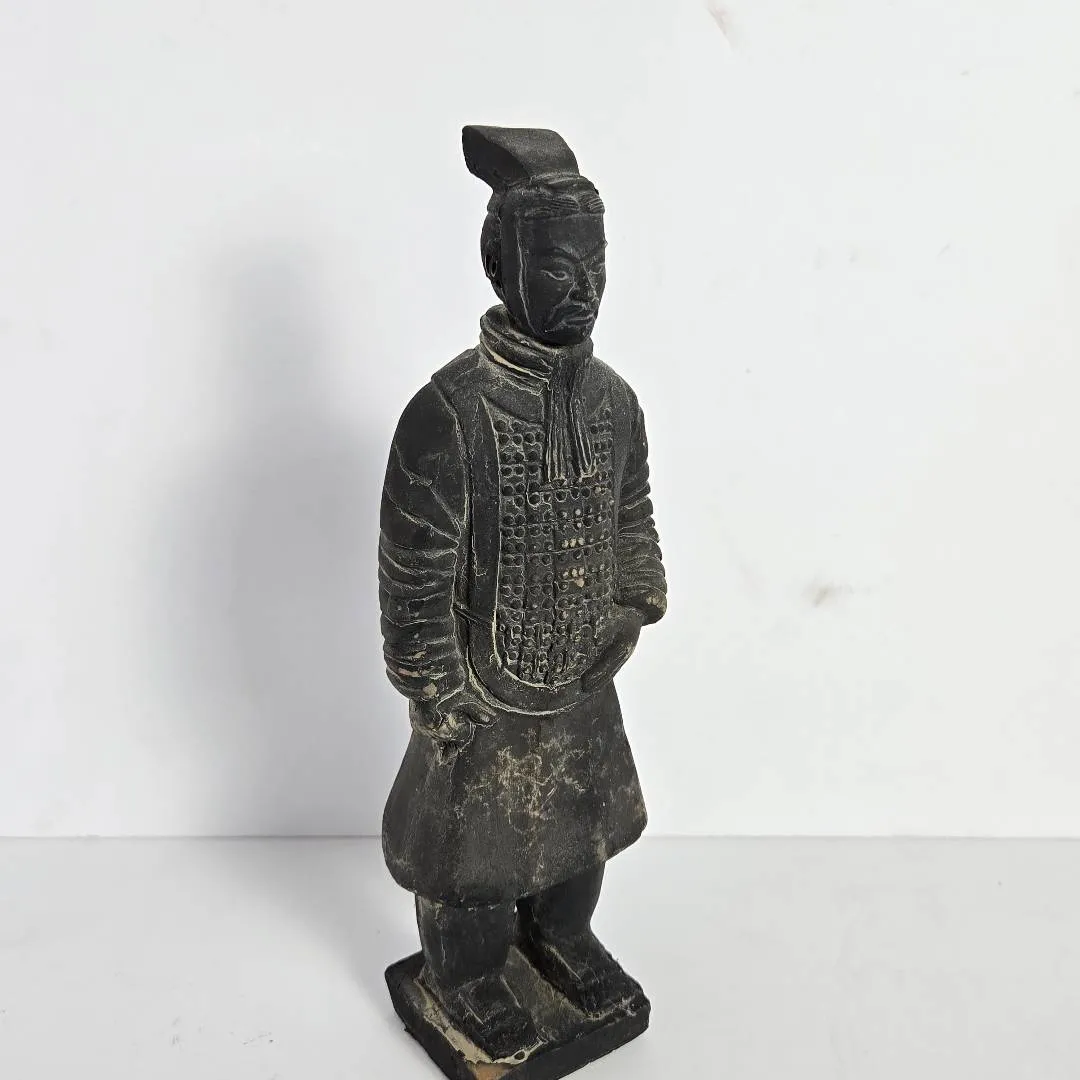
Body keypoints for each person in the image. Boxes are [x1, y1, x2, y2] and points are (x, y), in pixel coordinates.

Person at [379, 125, 667, 1060]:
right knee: (470, 864)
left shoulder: (615, 402)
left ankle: (562, 940)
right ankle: (467, 977)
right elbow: (414, 573)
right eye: (556, 266)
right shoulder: (448, 412)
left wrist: (633, 600)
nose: (583, 286)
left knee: (580, 837)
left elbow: (631, 517)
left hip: (583, 673)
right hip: (480, 689)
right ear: (499, 265)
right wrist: (433, 686)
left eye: (596, 265)